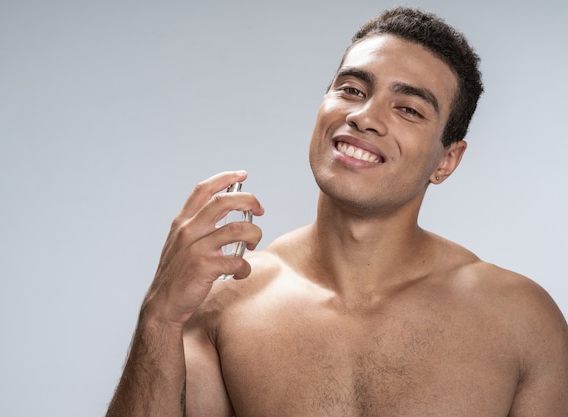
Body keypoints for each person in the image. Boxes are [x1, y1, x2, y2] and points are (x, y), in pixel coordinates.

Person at [106, 7, 568, 417]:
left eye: (407, 109)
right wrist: (159, 317)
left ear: (446, 160)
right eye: (350, 89)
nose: (365, 116)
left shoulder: (520, 322)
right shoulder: (226, 309)